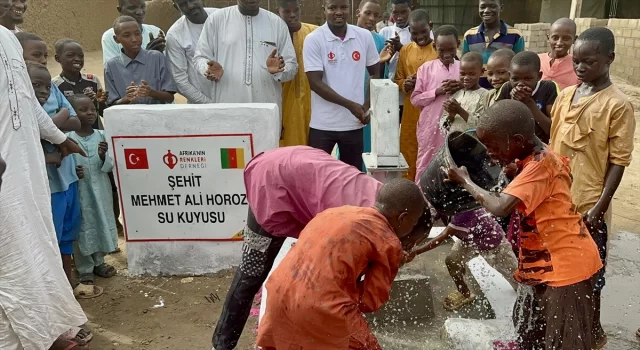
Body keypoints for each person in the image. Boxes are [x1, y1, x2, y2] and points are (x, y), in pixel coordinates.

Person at [211, 146, 432, 350]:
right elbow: (367, 301)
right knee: (251, 273)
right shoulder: (385, 237)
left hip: (278, 165)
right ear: (404, 220)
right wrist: (388, 265)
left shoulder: (375, 201)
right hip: (273, 183)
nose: (408, 248)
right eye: (411, 241)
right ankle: (222, 345)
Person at [446, 100, 603, 350]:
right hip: (544, 265)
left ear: (517, 141)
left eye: (494, 146)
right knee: (532, 332)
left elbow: (500, 206)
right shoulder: (535, 158)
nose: (488, 153)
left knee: (564, 341)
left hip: (565, 269)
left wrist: (465, 181)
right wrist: (514, 171)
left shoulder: (540, 166)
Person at [0, 17, 92, 350]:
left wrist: (59, 137)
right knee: (9, 261)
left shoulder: (8, 39)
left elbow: (24, 101)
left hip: (27, 171)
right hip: (4, 177)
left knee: (36, 248)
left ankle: (46, 332)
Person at [257, 179, 427, 350]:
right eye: (413, 223)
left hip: (278, 295)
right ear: (403, 218)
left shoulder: (334, 212)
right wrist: (395, 263)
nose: (412, 228)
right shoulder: (388, 241)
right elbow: (369, 302)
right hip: (321, 309)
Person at [549, 27, 636, 350]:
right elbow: (552, 139)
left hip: (587, 207)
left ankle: (591, 334)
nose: (581, 68)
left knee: (589, 278)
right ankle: (562, 330)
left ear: (609, 59)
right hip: (555, 202)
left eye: (589, 61)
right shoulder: (566, 95)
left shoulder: (617, 105)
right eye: (576, 62)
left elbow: (619, 161)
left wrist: (599, 207)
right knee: (556, 273)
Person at [303, 0, 380, 170]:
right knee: (317, 174)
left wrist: (367, 105)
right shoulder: (314, 39)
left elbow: (376, 72)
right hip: (322, 124)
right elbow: (315, 83)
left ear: (350, 9)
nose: (338, 12)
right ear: (324, 10)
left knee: (351, 177)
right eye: (332, 8)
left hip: (353, 124)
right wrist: (351, 105)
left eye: (343, 7)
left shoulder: (364, 36)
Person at [194, 0, 297, 124]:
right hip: (227, 109)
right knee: (229, 143)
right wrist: (207, 68)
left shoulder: (277, 23)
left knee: (267, 143)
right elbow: (200, 57)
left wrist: (280, 71)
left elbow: (292, 65)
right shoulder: (216, 20)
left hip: (266, 111)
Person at [409, 207, 517, 311]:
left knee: (516, 277)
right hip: (468, 239)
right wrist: (412, 244)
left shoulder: (465, 211)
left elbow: (443, 236)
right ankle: (465, 293)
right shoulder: (443, 204)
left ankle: (526, 299)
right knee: (452, 261)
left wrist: (416, 251)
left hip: (494, 244)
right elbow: (427, 226)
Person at [66, 94, 118, 298]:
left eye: (92, 109)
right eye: (83, 109)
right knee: (83, 227)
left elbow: (111, 165)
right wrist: (73, 173)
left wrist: (104, 156)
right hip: (80, 191)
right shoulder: (69, 138)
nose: (90, 113)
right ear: (72, 114)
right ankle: (85, 268)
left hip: (101, 189)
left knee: (100, 222)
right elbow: (63, 166)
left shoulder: (101, 136)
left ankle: (100, 262)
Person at [410, 25, 461, 182]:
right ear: (434, 47)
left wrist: (461, 85)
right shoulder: (425, 69)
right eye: (441, 50)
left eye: (451, 49)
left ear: (458, 45)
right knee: (425, 162)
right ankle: (422, 201)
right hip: (430, 125)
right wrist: (436, 91)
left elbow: (473, 90)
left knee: (455, 162)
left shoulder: (463, 68)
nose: (446, 54)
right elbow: (415, 99)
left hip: (457, 124)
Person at [393, 9, 437, 181]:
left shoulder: (439, 48)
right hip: (411, 111)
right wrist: (405, 84)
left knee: (431, 150)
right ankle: (409, 191)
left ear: (431, 26)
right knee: (409, 149)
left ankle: (429, 189)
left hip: (433, 109)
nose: (419, 37)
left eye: (423, 32)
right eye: (414, 33)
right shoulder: (405, 50)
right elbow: (398, 79)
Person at [105, 16, 176, 105]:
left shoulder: (157, 57)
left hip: (156, 117)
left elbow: (169, 97)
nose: (134, 39)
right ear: (116, 39)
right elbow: (111, 104)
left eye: (137, 34)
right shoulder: (111, 66)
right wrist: (127, 99)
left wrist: (151, 92)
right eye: (127, 35)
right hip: (127, 117)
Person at [277, 0, 317, 146]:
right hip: (285, 106)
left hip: (313, 103)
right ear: (278, 12)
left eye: (296, 10)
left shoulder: (314, 32)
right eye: (287, 11)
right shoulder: (273, 37)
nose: (292, 15)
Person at [496, 51, 558, 143]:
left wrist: (529, 103)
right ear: (509, 76)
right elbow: (496, 124)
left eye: (527, 79)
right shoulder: (506, 88)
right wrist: (514, 103)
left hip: (541, 147)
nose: (520, 83)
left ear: (539, 76)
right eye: (515, 79)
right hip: (512, 146)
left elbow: (552, 130)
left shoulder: (548, 88)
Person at [461, 0, 524, 88]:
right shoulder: (469, 35)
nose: (486, 10)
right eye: (482, 7)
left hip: (503, 91)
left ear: (501, 7)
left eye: (492, 6)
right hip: (476, 91)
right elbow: (464, 66)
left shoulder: (515, 35)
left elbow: (519, 67)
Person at [166, 0, 216, 104]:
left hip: (237, 99)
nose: (190, 6)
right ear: (176, 7)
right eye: (183, 4)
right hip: (202, 107)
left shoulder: (223, 18)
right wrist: (209, 104)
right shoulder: (175, 35)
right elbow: (180, 80)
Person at [353, 0, 385, 166]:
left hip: (371, 102)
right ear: (358, 13)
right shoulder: (347, 36)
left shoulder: (380, 40)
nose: (372, 18)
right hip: (349, 101)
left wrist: (382, 61)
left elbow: (381, 76)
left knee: (369, 145)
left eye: (376, 15)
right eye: (367, 13)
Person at [53, 39, 108, 129]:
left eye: (81, 56)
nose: (77, 59)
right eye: (70, 55)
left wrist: (99, 102)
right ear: (58, 58)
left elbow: (104, 113)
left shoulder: (92, 80)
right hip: (71, 136)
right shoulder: (55, 85)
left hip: (96, 133)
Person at [101, 0, 165, 64]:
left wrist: (160, 55)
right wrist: (147, 55)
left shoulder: (155, 31)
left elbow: (166, 66)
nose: (139, 12)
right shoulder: (110, 37)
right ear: (120, 9)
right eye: (132, 8)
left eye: (143, 6)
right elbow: (114, 71)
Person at [441, 51, 487, 133]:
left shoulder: (486, 96)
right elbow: (444, 127)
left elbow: (482, 127)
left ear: (482, 72)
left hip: (473, 144)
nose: (466, 78)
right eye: (462, 74)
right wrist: (451, 115)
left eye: (472, 74)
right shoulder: (455, 94)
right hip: (453, 143)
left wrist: (460, 110)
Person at [539, 17, 579, 91]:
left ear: (574, 39)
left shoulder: (577, 66)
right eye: (555, 38)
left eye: (566, 39)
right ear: (548, 37)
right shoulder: (536, 60)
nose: (559, 43)